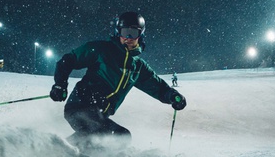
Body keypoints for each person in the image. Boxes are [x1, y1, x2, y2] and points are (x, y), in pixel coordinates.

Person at [49, 11, 186, 143]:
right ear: (117, 32)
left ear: (140, 35)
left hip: (100, 114)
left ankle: (54, 150)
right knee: (119, 137)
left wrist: (173, 96)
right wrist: (60, 84)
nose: (128, 38)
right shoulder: (101, 50)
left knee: (92, 139)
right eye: (124, 32)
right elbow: (68, 60)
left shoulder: (138, 67)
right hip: (80, 106)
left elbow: (158, 87)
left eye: (133, 33)